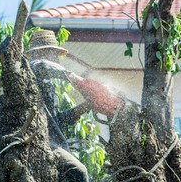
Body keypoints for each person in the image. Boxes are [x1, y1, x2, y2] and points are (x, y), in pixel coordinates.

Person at [26, 30, 124, 181]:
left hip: (53, 141)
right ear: (44, 52)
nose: (58, 59)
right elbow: (42, 65)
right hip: (43, 143)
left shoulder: (47, 84)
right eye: (55, 54)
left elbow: (56, 121)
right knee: (79, 171)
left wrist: (85, 106)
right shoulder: (32, 69)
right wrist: (79, 81)